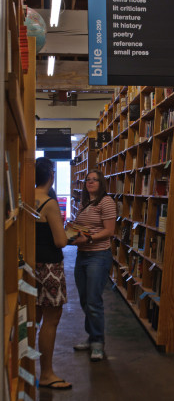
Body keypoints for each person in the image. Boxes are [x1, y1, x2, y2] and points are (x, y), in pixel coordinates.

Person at [35, 157, 72, 390]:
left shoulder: (24, 198)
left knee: (33, 318)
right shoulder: (49, 203)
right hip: (50, 267)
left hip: (32, 264)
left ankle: (24, 368)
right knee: (51, 321)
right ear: (51, 175)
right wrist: (72, 235)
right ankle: (47, 374)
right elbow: (60, 240)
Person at [72, 169, 116, 361]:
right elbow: (84, 226)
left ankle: (98, 342)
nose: (90, 182)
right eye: (88, 180)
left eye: (95, 180)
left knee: (93, 300)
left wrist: (88, 239)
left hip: (98, 256)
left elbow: (109, 231)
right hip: (82, 256)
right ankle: (91, 338)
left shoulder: (106, 202)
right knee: (84, 299)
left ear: (101, 183)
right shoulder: (84, 202)